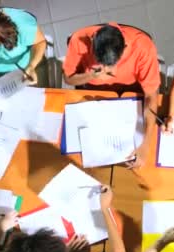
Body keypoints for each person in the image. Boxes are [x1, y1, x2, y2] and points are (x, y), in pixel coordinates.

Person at [62, 23, 161, 168]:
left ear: (125, 48)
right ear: (92, 41)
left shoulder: (143, 46)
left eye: (112, 64)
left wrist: (146, 144)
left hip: (131, 92)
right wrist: (91, 75)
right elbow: (68, 78)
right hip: (95, 93)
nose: (108, 70)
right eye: (101, 63)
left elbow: (151, 96)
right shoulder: (79, 39)